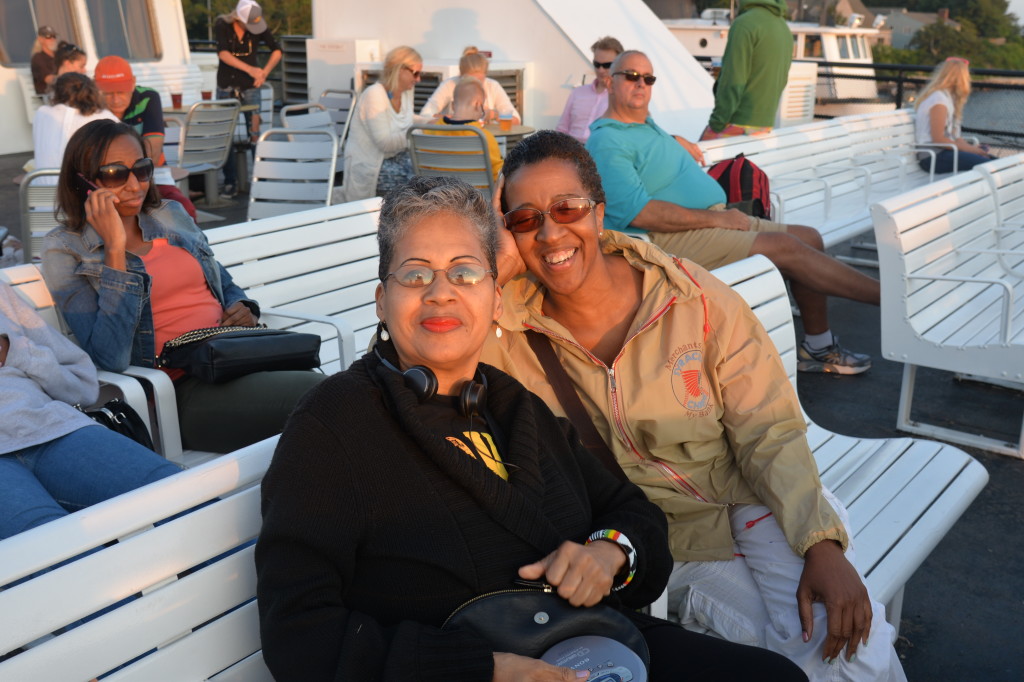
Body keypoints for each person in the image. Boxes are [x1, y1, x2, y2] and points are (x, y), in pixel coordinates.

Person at [255, 175, 807, 681]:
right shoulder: (333, 425)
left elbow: (633, 513)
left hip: (595, 646)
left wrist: (608, 553)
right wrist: (484, 670)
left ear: (496, 298)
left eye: (465, 272)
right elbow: (298, 637)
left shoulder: (513, 403)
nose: (440, 291)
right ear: (382, 300)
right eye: (415, 273)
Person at [481, 130, 907, 681]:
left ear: (600, 211)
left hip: (751, 500)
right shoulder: (504, 327)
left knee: (851, 645)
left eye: (566, 208)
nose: (549, 231)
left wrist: (821, 543)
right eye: (525, 219)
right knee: (809, 655)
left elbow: (769, 429)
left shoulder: (691, 299)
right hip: (660, 538)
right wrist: (495, 261)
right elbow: (405, 366)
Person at [587, 50, 880, 375]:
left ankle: (818, 346)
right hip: (668, 240)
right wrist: (719, 218)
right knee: (787, 249)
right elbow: (640, 213)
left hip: (712, 220)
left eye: (648, 78)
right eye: (630, 76)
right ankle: (890, 301)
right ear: (609, 82)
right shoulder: (607, 141)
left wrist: (671, 140)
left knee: (808, 236)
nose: (640, 84)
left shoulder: (645, 126)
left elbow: (645, 152)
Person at [41, 120, 325, 453]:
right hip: (178, 390)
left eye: (142, 169)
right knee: (325, 397)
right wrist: (115, 249)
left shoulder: (168, 214)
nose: (135, 185)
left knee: (352, 394)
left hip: (239, 356)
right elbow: (110, 357)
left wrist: (243, 307)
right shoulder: (65, 249)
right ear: (84, 182)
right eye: (117, 174)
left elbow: (222, 281)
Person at [0, 281, 181, 541]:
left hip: (53, 428)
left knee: (177, 492)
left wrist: (14, 350)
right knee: (51, 548)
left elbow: (81, 386)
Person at [93, 55, 198, 222]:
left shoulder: (148, 98)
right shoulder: (90, 105)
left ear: (133, 83)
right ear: (96, 88)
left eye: (121, 91)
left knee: (185, 211)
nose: (116, 99)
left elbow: (154, 154)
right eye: (108, 93)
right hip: (109, 182)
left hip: (150, 175)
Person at [338, 46, 424, 202]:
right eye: (415, 73)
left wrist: (433, 121)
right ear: (399, 69)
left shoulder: (405, 92)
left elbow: (409, 118)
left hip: (395, 160)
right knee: (422, 183)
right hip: (372, 168)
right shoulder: (374, 94)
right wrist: (419, 132)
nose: (419, 79)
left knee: (429, 172)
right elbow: (385, 143)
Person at [214, 0, 281, 198]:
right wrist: (251, 69)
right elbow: (223, 54)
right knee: (227, 136)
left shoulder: (258, 24)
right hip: (226, 87)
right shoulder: (222, 25)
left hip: (251, 88)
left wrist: (264, 72)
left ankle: (261, 181)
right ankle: (230, 182)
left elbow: (276, 49)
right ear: (238, 18)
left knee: (255, 133)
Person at [699, 0, 792, 141]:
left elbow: (733, 80)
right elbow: (782, 79)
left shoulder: (744, 24)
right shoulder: (783, 28)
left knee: (696, 157)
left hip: (736, 122)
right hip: (764, 125)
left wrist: (716, 123)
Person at [914, 56, 995, 173]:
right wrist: (970, 150)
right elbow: (939, 139)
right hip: (932, 157)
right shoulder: (938, 100)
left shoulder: (948, 98)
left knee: (998, 164)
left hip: (945, 152)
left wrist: (972, 148)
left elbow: (955, 138)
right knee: (990, 167)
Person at [33, 73, 118, 185]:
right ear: (92, 92)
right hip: (76, 197)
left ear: (55, 92)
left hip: (40, 196)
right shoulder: (104, 117)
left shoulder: (42, 113)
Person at [425, 77, 504, 181]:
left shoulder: (431, 132)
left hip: (439, 193)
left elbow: (425, 167)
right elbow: (498, 173)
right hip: (477, 195)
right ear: (477, 105)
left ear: (453, 106)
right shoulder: (483, 137)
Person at [419, 46, 521, 124]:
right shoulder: (449, 85)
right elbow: (425, 116)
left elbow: (516, 119)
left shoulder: (492, 86)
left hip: (486, 139)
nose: (474, 85)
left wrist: (493, 115)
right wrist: (450, 118)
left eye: (479, 81)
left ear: (485, 76)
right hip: (456, 140)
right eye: (469, 80)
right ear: (460, 75)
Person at [556, 36, 623, 143]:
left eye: (607, 65)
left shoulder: (623, 97)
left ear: (620, 65)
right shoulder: (577, 93)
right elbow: (562, 129)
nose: (600, 70)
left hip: (601, 153)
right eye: (597, 64)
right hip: (572, 152)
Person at [30, 25, 60, 94]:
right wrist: (67, 77)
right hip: (48, 94)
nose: (52, 39)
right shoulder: (38, 58)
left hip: (60, 92)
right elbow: (49, 79)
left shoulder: (59, 55)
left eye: (54, 36)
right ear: (40, 39)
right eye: (48, 37)